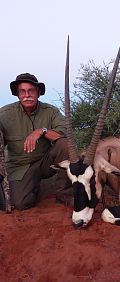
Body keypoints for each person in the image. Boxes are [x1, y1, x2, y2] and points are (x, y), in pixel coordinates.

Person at [0, 73, 73, 210]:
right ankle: (34, 187)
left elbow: (64, 134)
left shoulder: (51, 111)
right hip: (19, 167)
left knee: (64, 144)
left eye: (31, 90)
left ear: (38, 93)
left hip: (46, 162)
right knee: (21, 203)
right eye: (22, 91)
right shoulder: (4, 114)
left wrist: (42, 131)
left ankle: (64, 193)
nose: (27, 95)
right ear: (17, 94)